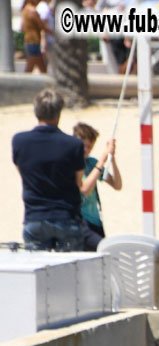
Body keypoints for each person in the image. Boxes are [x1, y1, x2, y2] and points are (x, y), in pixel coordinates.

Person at [12, 89, 86, 252]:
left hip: (35, 216)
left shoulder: (19, 141)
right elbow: (78, 182)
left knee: (38, 274)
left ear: (36, 112)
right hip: (67, 216)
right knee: (70, 274)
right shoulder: (74, 145)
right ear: (59, 113)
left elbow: (23, 173)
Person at [72, 123, 122, 252]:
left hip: (95, 221)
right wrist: (103, 159)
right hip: (80, 222)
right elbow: (85, 188)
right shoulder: (70, 164)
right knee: (106, 250)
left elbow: (117, 184)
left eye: (90, 147)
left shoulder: (91, 163)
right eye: (84, 146)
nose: (86, 150)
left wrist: (112, 158)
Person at [20, 0, 51, 74]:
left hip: (30, 41)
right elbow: (42, 25)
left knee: (39, 68)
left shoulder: (25, 9)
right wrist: (53, 34)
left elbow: (22, 27)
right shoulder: (32, 11)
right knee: (32, 68)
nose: (39, 1)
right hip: (33, 41)